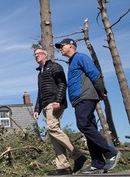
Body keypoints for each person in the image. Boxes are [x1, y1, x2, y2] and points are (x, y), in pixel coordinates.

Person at [55, 38, 121, 174]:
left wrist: (102, 91)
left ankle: (111, 152)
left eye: (62, 45)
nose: (60, 48)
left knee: (83, 124)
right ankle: (97, 163)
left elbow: (95, 74)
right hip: (79, 100)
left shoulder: (80, 57)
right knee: (89, 127)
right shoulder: (72, 62)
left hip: (85, 97)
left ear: (71, 45)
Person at [33, 47, 87, 176]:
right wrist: (37, 109)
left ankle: (78, 155)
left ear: (45, 55)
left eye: (38, 54)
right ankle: (63, 167)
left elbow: (62, 84)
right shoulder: (40, 73)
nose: (36, 56)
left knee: (52, 128)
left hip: (55, 103)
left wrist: (58, 100)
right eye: (34, 55)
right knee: (53, 135)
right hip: (45, 105)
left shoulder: (54, 66)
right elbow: (40, 93)